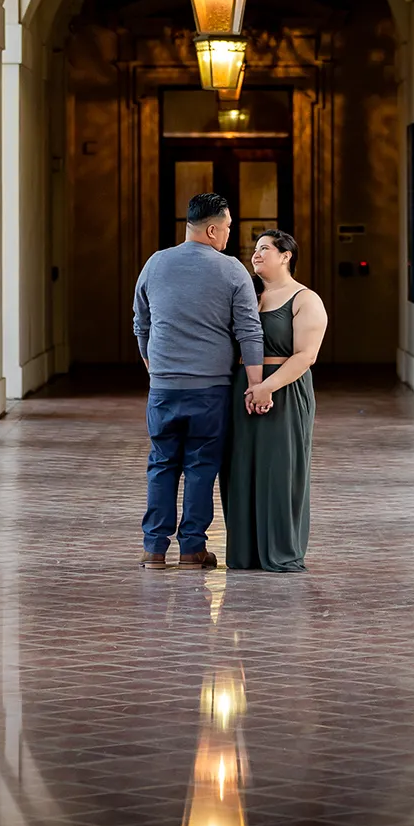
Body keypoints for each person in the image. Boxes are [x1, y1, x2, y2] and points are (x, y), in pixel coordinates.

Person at [132, 193, 266, 571]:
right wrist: (256, 384)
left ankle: (154, 550)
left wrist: (152, 365)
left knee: (161, 463)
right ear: (211, 229)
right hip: (210, 390)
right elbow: (249, 330)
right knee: (201, 466)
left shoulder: (155, 264)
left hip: (164, 387)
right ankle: (192, 550)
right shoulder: (232, 270)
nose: (227, 235)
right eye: (226, 228)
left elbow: (140, 322)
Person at [222, 229, 327, 573]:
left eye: (265, 248)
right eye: (255, 249)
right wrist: (250, 387)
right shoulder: (248, 297)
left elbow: (306, 355)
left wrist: (267, 387)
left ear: (286, 256)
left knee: (280, 470)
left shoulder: (304, 299)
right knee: (239, 469)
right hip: (242, 390)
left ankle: (282, 552)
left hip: (284, 391)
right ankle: (245, 552)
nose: (256, 254)